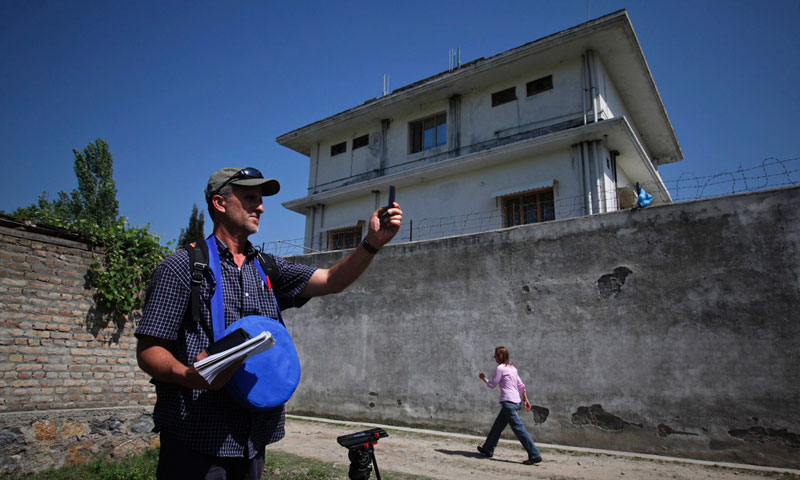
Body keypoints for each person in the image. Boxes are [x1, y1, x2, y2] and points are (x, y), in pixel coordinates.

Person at [134, 167, 402, 480]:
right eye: (249, 198)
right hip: (197, 434)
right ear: (220, 203)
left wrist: (372, 242)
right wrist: (187, 375)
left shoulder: (266, 267)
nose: (260, 207)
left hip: (253, 436)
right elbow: (149, 349)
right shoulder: (182, 267)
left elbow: (331, 280)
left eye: (261, 200)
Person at [477, 346, 543, 465]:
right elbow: (521, 385)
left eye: (496, 355)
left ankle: (534, 454)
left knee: (519, 429)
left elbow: (492, 384)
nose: (494, 357)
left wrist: (484, 378)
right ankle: (487, 449)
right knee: (498, 426)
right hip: (516, 401)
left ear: (500, 356)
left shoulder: (500, 368)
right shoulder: (513, 368)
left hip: (508, 403)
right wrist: (526, 400)